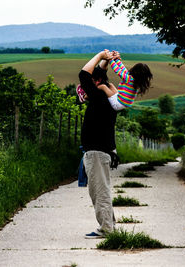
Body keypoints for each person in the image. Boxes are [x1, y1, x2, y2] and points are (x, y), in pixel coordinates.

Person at [78, 50, 118, 239]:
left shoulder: (98, 96)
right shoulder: (109, 97)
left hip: (96, 151)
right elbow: (96, 77)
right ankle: (109, 226)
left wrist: (100, 55)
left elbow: (84, 73)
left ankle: (107, 230)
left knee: (99, 191)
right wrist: (106, 63)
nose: (83, 90)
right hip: (102, 151)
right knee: (102, 189)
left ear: (95, 83)